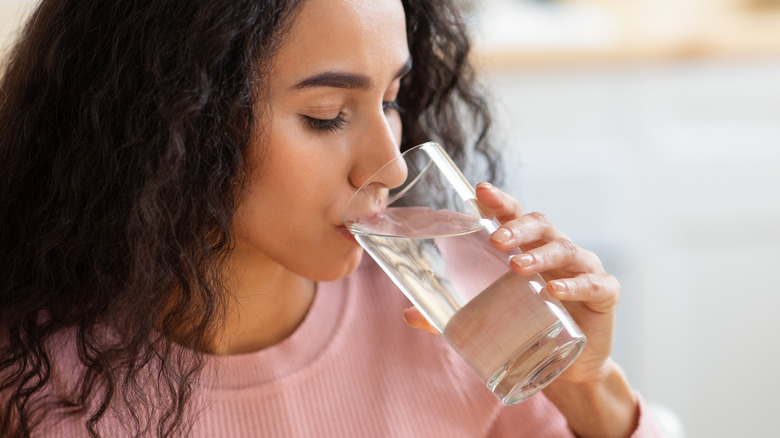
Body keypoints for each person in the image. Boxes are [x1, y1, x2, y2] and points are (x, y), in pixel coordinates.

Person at [0, 0, 663, 437]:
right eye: (327, 115)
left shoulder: (460, 325)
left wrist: (591, 393)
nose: (391, 166)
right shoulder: (34, 380)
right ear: (175, 119)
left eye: (394, 99)